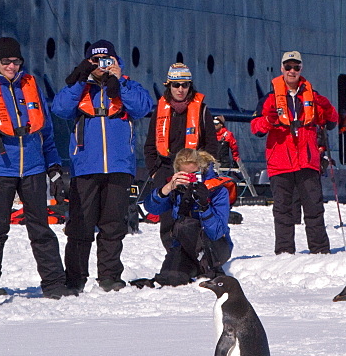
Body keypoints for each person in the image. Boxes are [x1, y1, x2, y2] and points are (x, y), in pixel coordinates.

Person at [0, 37, 75, 305]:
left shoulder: (32, 86)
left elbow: (46, 132)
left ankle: (53, 283)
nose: (11, 66)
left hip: (34, 169)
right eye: (6, 62)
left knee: (41, 229)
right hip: (0, 169)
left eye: (16, 61)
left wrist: (54, 167)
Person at [52, 40, 154, 293]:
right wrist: (79, 79)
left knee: (113, 225)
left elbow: (143, 108)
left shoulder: (128, 85)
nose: (101, 66)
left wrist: (119, 84)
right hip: (85, 165)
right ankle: (75, 278)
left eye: (107, 60)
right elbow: (60, 108)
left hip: (119, 166)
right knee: (80, 225)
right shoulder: (81, 88)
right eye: (95, 61)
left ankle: (109, 276)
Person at [250, 51, 338, 254]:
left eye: (296, 67)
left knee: (314, 209)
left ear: (301, 69)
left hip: (307, 160)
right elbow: (256, 128)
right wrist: (269, 120)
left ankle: (320, 251)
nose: (292, 71)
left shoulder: (313, 97)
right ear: (281, 69)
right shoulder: (269, 98)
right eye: (288, 67)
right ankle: (284, 252)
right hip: (280, 162)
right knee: (283, 211)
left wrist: (327, 106)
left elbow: (331, 122)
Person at [144, 63, 218, 248]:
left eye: (185, 85)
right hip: (166, 170)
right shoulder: (159, 111)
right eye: (176, 85)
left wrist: (203, 169)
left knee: (192, 214)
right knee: (167, 218)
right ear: (168, 85)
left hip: (193, 170)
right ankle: (173, 256)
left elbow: (211, 144)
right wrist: (155, 172)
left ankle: (195, 253)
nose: (180, 89)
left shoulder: (201, 110)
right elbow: (150, 145)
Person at [137, 149, 234, 287]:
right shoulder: (177, 189)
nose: (190, 179)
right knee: (171, 278)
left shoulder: (218, 191)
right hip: (184, 247)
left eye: (194, 175)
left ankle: (207, 268)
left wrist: (205, 206)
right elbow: (151, 208)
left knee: (189, 226)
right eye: (185, 175)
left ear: (201, 169)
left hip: (213, 247)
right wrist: (167, 189)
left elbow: (217, 232)